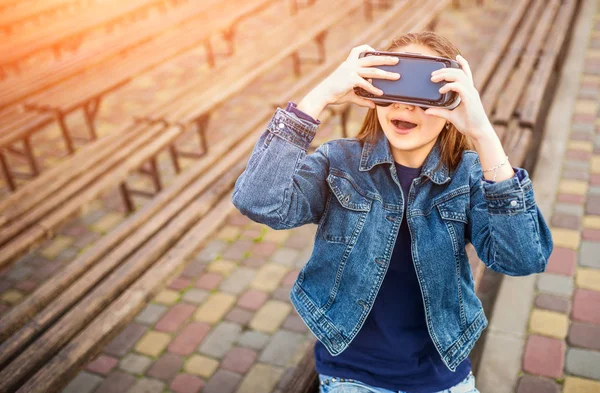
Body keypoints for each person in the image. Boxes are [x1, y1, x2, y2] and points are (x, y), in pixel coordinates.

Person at [231, 31, 554, 393]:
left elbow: (523, 258)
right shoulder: (338, 163)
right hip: (350, 372)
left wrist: (483, 134)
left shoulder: (468, 175)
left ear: (450, 103)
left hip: (441, 375)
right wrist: (320, 96)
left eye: (422, 95)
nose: (404, 108)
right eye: (392, 90)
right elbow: (258, 201)